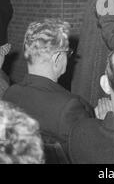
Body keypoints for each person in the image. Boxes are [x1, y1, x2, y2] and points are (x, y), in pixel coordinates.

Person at [3, 18, 95, 154]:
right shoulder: (69, 107)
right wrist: (99, 125)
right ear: (57, 58)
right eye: (68, 52)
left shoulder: (10, 94)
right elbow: (90, 152)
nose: (69, 57)